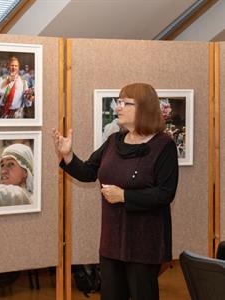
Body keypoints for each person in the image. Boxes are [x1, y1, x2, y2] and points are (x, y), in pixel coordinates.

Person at [52, 83, 179, 300]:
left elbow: (165, 193)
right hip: (111, 242)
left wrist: (124, 196)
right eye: (118, 102)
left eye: (125, 103)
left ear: (144, 108)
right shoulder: (113, 141)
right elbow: (89, 172)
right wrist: (68, 156)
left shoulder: (164, 146)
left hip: (144, 243)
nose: (118, 107)